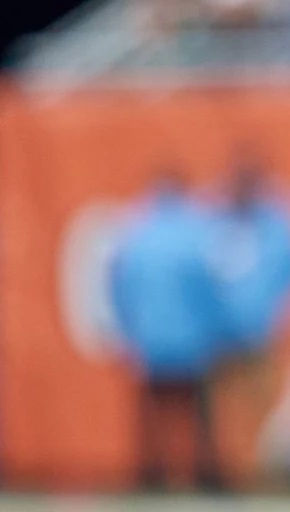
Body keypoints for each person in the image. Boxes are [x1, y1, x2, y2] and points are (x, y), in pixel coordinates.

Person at [109, 175, 230, 490]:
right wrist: (214, 329)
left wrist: (130, 330)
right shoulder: (196, 234)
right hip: (192, 341)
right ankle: (206, 475)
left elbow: (119, 287)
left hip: (150, 340)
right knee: (198, 413)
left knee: (153, 413)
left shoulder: (137, 234)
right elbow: (210, 288)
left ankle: (152, 475)